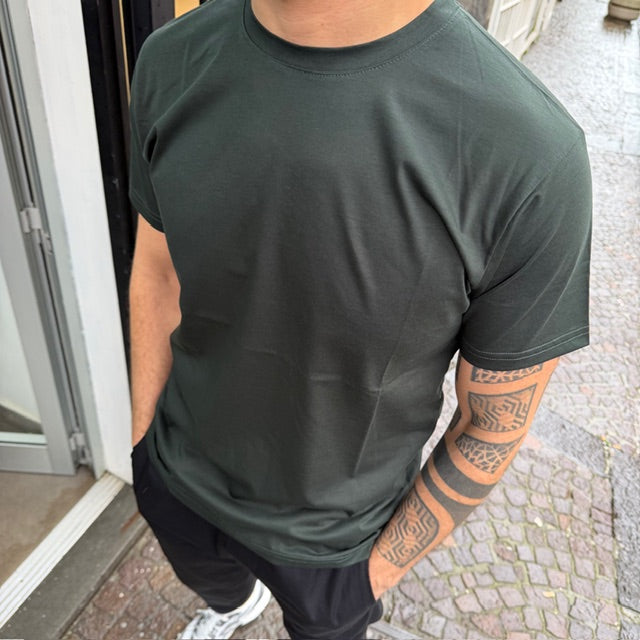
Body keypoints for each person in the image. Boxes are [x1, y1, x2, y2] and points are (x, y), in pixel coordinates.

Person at [127, 0, 592, 637]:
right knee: (216, 586)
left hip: (337, 548)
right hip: (175, 475)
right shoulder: (170, 58)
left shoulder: (530, 154)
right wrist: (143, 445)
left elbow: (492, 423)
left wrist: (374, 572)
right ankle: (233, 608)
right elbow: (158, 270)